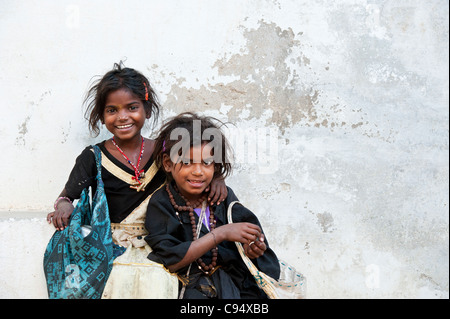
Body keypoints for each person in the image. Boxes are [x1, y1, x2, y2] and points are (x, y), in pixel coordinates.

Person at [46, 63, 228, 298]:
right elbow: (67, 194)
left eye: (132, 107)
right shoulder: (94, 157)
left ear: (147, 110)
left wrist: (219, 178)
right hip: (111, 242)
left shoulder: (165, 152)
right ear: (102, 116)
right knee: (120, 277)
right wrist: (63, 204)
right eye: (112, 110)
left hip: (161, 239)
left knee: (159, 278)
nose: (122, 117)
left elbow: (197, 164)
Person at [144, 112, 280, 299]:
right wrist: (221, 233)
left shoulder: (222, 197)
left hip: (232, 287)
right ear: (168, 163)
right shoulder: (163, 203)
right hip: (187, 290)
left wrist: (252, 249)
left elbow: (251, 246)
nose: (198, 171)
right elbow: (172, 260)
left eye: (207, 163)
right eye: (187, 162)